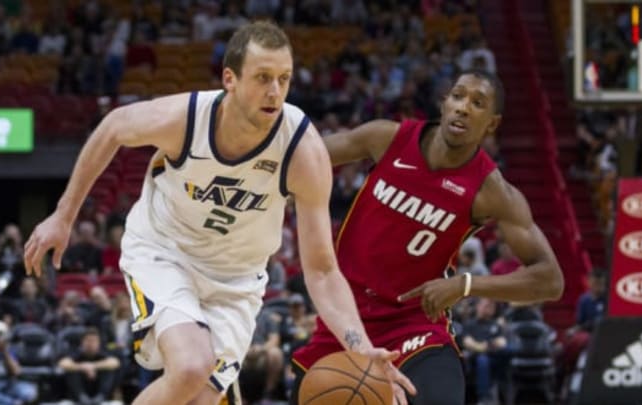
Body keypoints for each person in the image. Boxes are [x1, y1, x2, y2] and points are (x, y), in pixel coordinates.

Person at [24, 21, 414, 405]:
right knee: (193, 367)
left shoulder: (302, 151)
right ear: (230, 79)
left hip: (237, 281)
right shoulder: (185, 119)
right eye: (263, 77)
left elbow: (323, 270)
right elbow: (113, 127)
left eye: (284, 78)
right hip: (166, 251)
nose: (275, 91)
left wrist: (361, 348)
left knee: (202, 398)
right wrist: (63, 215)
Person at [292, 69, 564, 404]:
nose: (464, 107)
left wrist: (465, 285)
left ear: (492, 124)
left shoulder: (491, 192)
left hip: (413, 324)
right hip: (345, 315)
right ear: (444, 102)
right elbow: (300, 158)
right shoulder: (386, 137)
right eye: (459, 96)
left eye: (478, 103)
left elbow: (550, 280)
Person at [58, 327, 121, 405]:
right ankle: (81, 396)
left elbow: (115, 362)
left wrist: (92, 366)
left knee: (108, 369)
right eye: (88, 340)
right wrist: (82, 367)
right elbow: (63, 363)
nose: (90, 343)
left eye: (94, 341)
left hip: (101, 400)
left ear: (99, 343)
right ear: (82, 342)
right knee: (71, 369)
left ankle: (100, 396)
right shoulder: (75, 353)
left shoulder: (103, 354)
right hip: (77, 399)